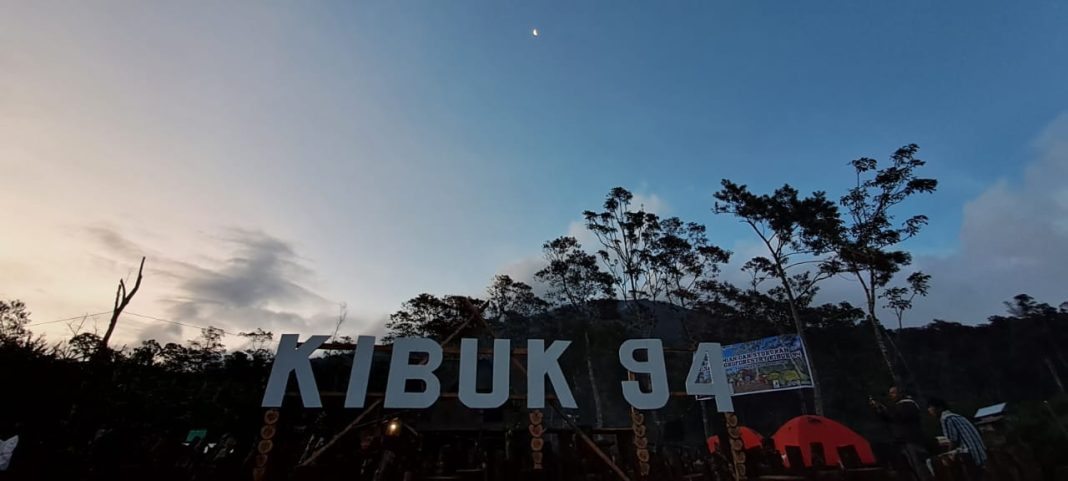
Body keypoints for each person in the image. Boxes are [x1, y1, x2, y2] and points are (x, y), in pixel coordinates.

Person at [870, 386, 932, 481]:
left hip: (912, 439)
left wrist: (885, 410)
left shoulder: (908, 404)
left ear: (900, 393)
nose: (891, 396)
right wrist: (880, 409)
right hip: (903, 441)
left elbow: (897, 417)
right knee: (911, 466)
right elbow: (891, 419)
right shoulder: (900, 406)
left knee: (919, 465)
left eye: (893, 393)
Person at [928, 397, 987, 480]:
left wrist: (948, 454)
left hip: (969, 453)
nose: (929, 411)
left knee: (937, 462)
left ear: (939, 408)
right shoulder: (957, 416)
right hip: (980, 453)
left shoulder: (946, 419)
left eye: (930, 408)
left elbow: (953, 440)